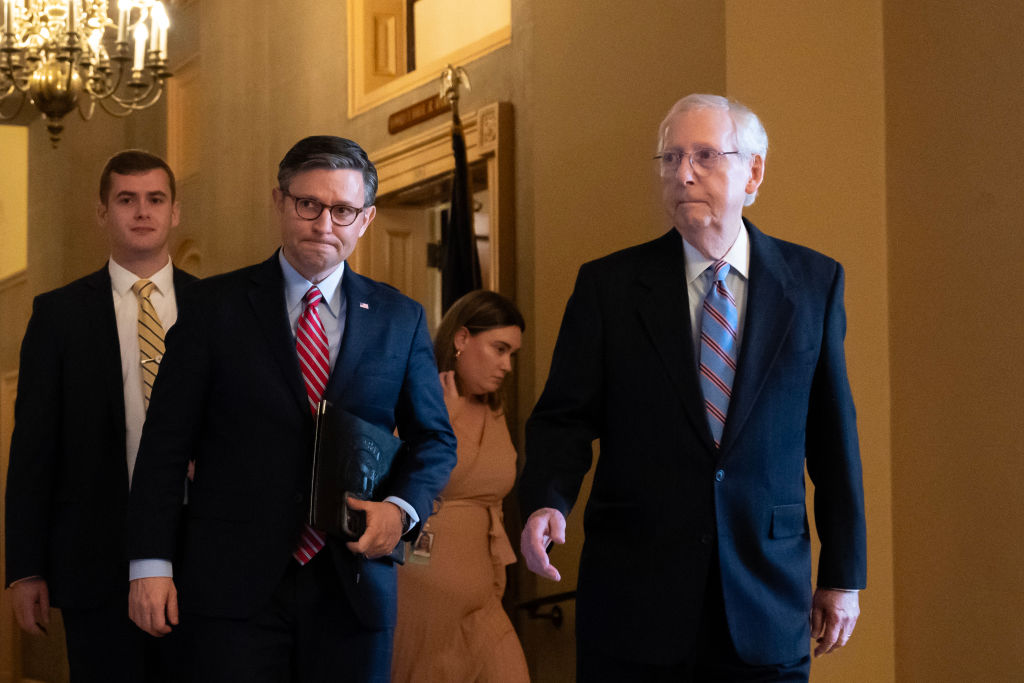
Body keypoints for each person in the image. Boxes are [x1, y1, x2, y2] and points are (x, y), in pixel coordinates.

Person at [518, 94, 867, 681]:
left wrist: (843, 575)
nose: (683, 173)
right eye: (671, 158)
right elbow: (564, 418)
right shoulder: (610, 287)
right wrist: (547, 500)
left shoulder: (813, 283)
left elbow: (834, 439)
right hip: (635, 602)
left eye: (705, 155)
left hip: (767, 597)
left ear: (753, 172)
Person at [125, 135, 457, 682]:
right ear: (279, 202)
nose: (325, 224)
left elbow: (435, 439)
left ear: (367, 218)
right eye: (309, 204)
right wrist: (150, 564)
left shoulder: (401, 318)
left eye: (343, 210)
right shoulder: (214, 309)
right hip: (232, 586)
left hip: (352, 585)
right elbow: (164, 446)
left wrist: (401, 509)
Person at [4, 150, 196, 682]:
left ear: (174, 211)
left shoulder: (216, 308)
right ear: (102, 211)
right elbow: (33, 449)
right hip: (94, 560)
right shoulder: (59, 315)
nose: (142, 211)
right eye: (126, 199)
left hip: (202, 553)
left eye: (155, 199)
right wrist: (25, 568)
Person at [392, 290, 530, 682]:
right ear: (462, 339)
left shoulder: (494, 408)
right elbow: (389, 475)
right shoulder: (419, 398)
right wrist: (445, 416)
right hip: (422, 594)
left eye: (511, 355)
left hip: (483, 595)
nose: (506, 365)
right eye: (499, 349)